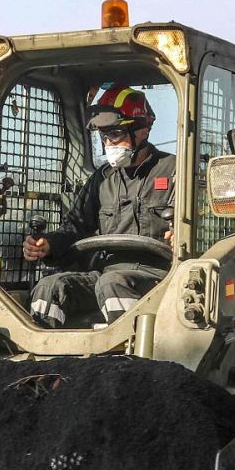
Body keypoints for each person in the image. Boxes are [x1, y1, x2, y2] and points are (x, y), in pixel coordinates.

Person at [24, 85, 176, 328]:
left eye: (115, 134)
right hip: (108, 272)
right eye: (103, 136)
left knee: (113, 282)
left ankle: (129, 349)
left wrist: (179, 235)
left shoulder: (174, 170)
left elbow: (198, 226)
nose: (108, 143)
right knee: (50, 287)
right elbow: (74, 227)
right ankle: (43, 350)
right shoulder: (102, 179)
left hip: (160, 276)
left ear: (142, 130)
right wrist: (48, 245)